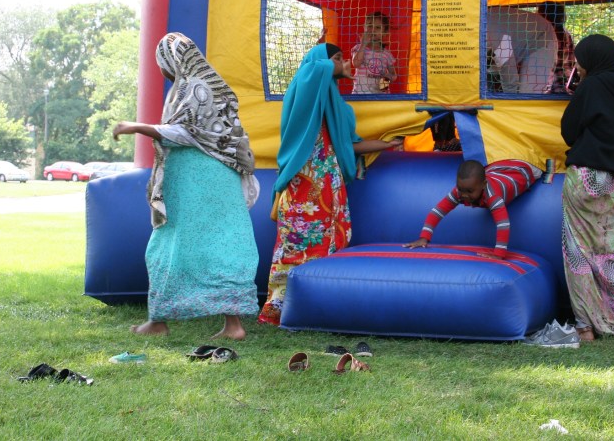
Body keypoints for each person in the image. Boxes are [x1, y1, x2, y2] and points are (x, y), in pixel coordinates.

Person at [112, 32, 260, 340]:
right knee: (223, 244)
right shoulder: (211, 84)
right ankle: (231, 326)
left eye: (162, 63)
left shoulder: (194, 87)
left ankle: (158, 320)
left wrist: (137, 127)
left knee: (169, 242)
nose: (163, 71)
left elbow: (186, 132)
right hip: (222, 176)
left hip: (195, 177)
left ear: (171, 59)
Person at [258, 43, 403, 325]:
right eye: (337, 58)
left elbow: (350, 145)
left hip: (331, 189)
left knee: (332, 243)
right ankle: (278, 309)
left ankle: (320, 311)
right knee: (295, 244)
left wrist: (387, 144)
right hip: (303, 186)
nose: (345, 63)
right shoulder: (303, 89)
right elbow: (311, 69)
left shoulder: (338, 108)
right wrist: (337, 64)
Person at [560, 34, 614, 342]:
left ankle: (586, 327)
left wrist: (580, 87)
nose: (577, 66)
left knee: (578, 253)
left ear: (591, 61)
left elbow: (569, 131)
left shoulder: (591, 86)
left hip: (585, 179)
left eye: (580, 61)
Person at [404, 159, 542, 259]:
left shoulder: (493, 196)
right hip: (497, 168)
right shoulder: (461, 191)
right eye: (461, 189)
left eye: (469, 191)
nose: (464, 195)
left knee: (537, 171)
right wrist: (424, 237)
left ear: (483, 185)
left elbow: (503, 224)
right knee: (484, 171)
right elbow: (438, 211)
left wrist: (498, 255)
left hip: (522, 170)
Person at [486, 6, 557, 94]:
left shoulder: (493, 38)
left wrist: (510, 101)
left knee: (527, 93)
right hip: (516, 39)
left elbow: (509, 78)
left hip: (541, 37)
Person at [351, 11, 397, 94]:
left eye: (378, 27)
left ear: (384, 32)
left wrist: (386, 79)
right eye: (369, 26)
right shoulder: (358, 48)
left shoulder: (387, 54)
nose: (373, 30)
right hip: (360, 94)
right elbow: (356, 64)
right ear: (364, 28)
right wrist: (363, 45)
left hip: (380, 97)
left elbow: (393, 74)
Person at [537, 2, 576, 94]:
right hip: (561, 84)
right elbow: (571, 64)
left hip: (543, 85)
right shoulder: (565, 34)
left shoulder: (539, 34)